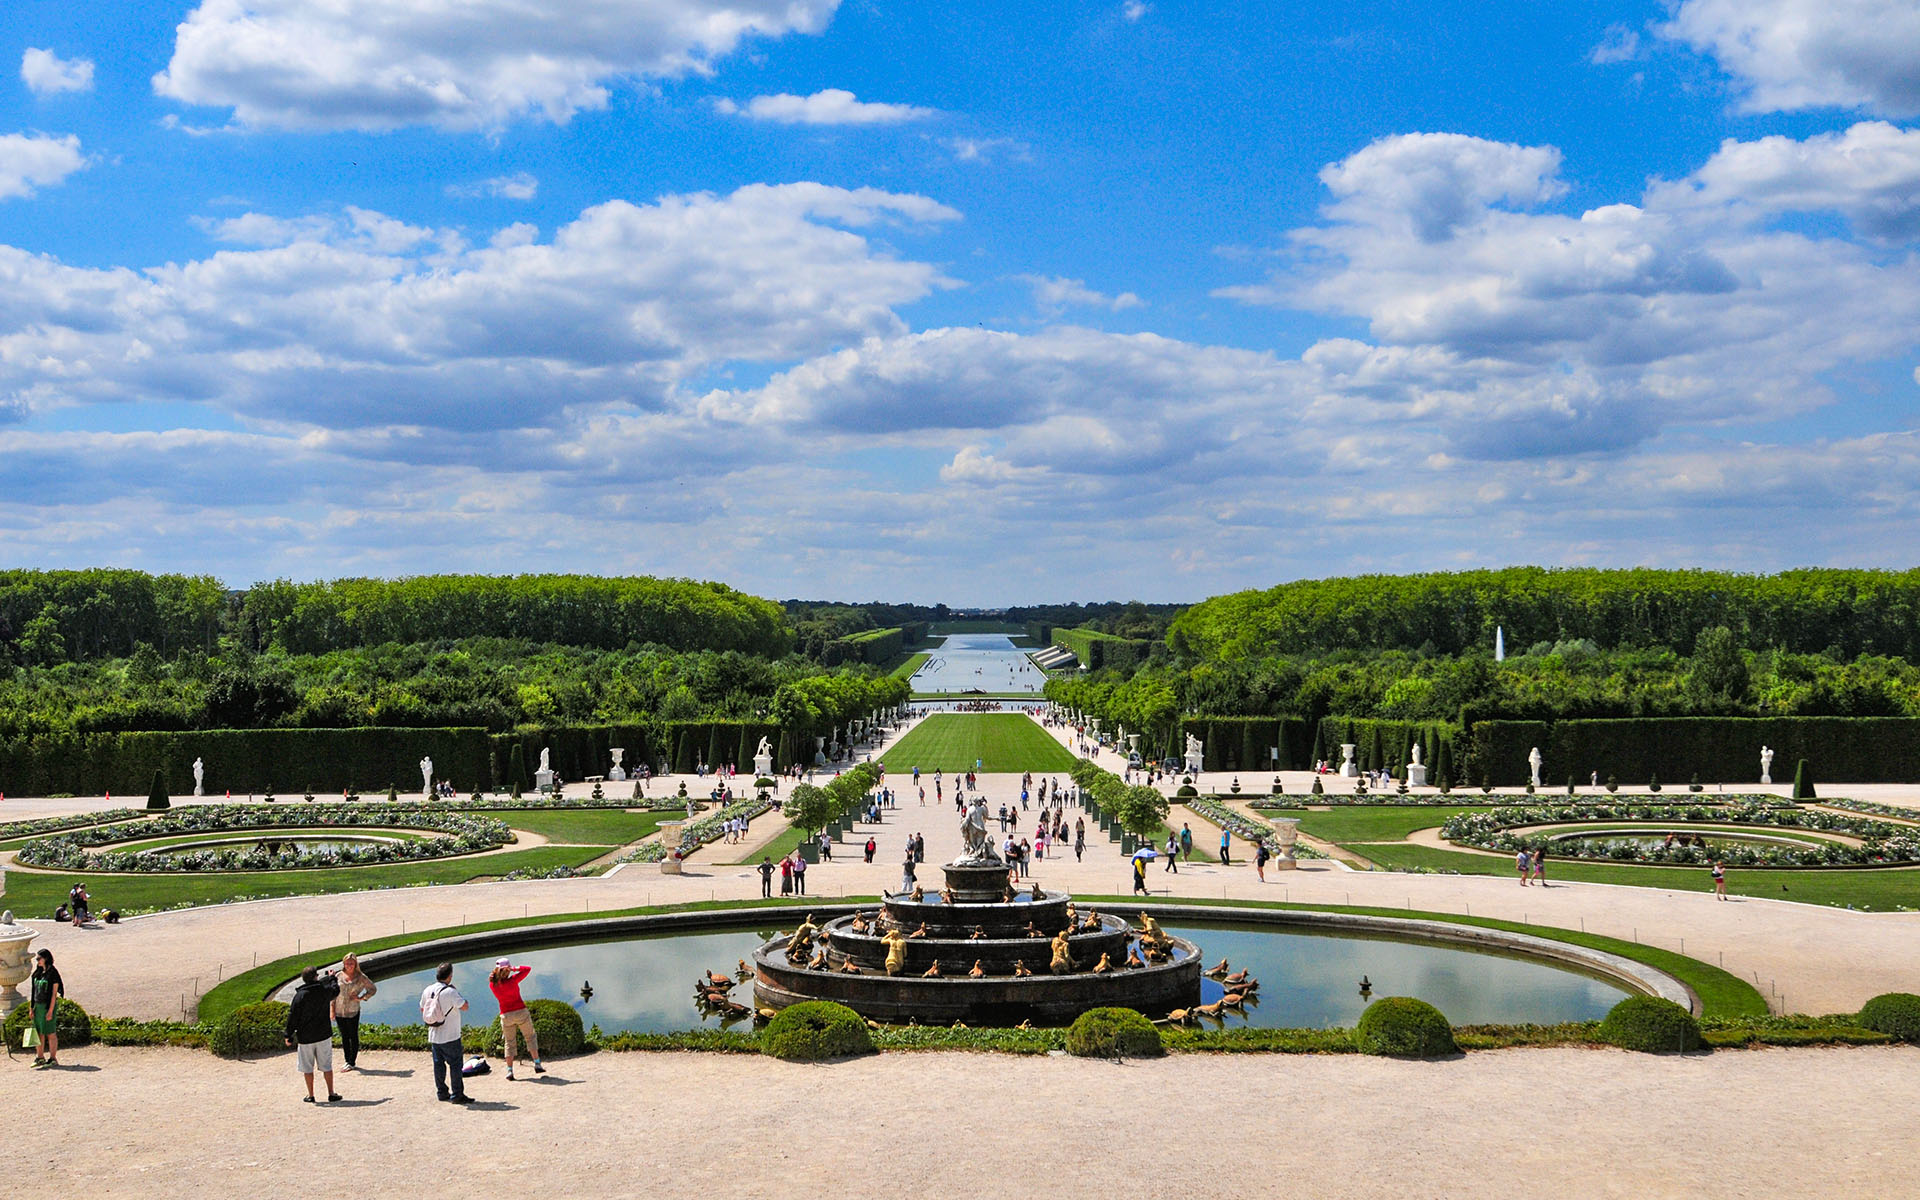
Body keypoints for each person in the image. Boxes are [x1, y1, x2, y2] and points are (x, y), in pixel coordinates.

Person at [284, 965, 341, 1103]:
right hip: (323, 1035)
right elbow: (335, 990)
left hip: (306, 1037)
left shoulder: (300, 996)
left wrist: (288, 1035)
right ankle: (331, 1093)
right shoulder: (323, 991)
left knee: (307, 1068)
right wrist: (332, 978)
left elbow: (293, 1017)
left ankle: (311, 1095)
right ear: (316, 976)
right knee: (326, 1066)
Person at [420, 963, 473, 1103]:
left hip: (434, 1035)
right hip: (451, 1035)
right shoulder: (450, 992)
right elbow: (465, 1006)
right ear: (450, 976)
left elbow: (422, 1009)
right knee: (455, 1065)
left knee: (438, 1065)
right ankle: (457, 1094)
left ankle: (442, 1092)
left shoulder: (427, 990)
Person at [489, 958, 545, 1080]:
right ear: (508, 969)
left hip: (506, 1015)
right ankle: (537, 1063)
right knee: (530, 1037)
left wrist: (497, 973)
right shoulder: (513, 980)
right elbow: (527, 969)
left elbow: (493, 979)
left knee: (509, 1043)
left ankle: (510, 1071)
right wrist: (514, 968)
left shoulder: (493, 985)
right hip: (521, 1012)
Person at [331, 951, 377, 1070]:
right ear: (344, 963)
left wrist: (361, 998)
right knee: (344, 1036)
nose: (349, 966)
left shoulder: (361, 977)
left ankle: (352, 1061)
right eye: (347, 963)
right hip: (339, 1010)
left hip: (353, 1011)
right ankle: (347, 1060)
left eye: (351, 963)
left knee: (353, 1035)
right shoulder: (338, 976)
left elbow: (372, 989)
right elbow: (333, 993)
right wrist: (332, 1010)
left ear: (355, 964)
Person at [27, 948, 62, 1068]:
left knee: (50, 1033)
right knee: (38, 1033)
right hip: (38, 1006)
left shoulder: (53, 973)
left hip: (47, 1006)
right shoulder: (37, 973)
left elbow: (54, 994)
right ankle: (40, 1057)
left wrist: (50, 1011)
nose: (37, 961)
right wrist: (31, 1008)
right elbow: (33, 991)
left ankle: (53, 1058)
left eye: (39, 959)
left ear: (46, 958)